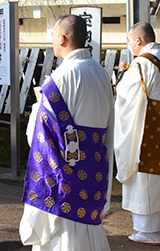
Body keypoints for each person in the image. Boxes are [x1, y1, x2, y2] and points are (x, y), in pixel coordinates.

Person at [19, 15, 115, 251]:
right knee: (90, 227)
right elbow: (110, 127)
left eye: (52, 35)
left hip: (65, 175)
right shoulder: (102, 74)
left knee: (63, 234)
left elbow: (37, 135)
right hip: (94, 169)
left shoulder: (59, 79)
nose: (51, 40)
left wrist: (36, 106)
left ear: (61, 38)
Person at [114, 22, 160, 245]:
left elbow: (125, 98)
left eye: (129, 41)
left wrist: (119, 84)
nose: (130, 46)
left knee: (145, 178)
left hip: (147, 129)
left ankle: (149, 231)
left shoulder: (142, 63)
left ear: (137, 40)